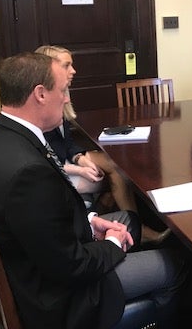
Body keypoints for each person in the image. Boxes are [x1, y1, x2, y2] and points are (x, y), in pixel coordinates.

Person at [0, 52, 187, 329]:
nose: (67, 98)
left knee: (131, 221)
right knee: (174, 263)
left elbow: (40, 220)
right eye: (63, 90)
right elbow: (71, 266)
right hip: (61, 298)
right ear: (40, 94)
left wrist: (90, 221)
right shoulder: (28, 174)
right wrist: (111, 244)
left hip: (37, 259)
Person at [35, 45, 169, 245]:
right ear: (49, 69)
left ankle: (114, 215)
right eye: (67, 65)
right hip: (56, 174)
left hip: (64, 162)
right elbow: (45, 159)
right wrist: (79, 170)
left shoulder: (59, 95)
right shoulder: (42, 106)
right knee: (117, 174)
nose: (73, 71)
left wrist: (80, 158)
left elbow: (67, 143)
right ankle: (137, 229)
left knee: (114, 163)